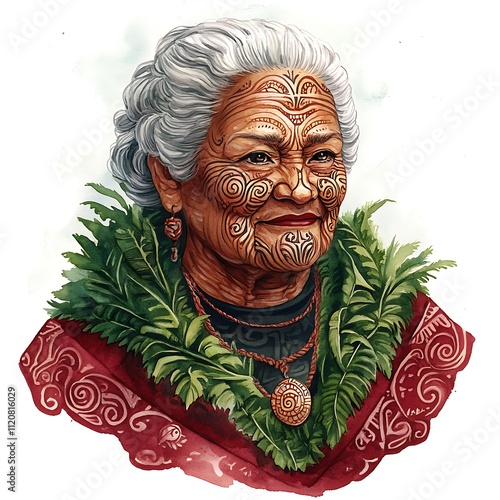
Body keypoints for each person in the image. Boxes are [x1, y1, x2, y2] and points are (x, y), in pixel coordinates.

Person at [20, 19, 473, 494]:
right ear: (169, 179)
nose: (300, 188)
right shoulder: (89, 359)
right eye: (258, 157)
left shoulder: (410, 332)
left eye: (321, 156)